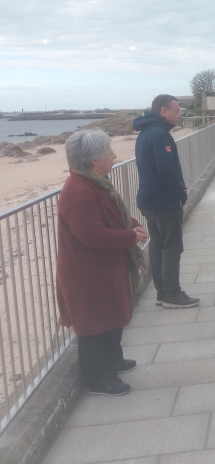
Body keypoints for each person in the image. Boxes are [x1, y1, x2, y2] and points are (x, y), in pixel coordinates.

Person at [56, 129, 149, 396]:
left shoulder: (96, 182)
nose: (114, 156)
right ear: (94, 159)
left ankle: (113, 360)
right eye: (109, 153)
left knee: (111, 318)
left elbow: (111, 217)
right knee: (94, 325)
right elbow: (92, 236)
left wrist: (131, 225)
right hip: (87, 273)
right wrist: (130, 235)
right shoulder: (79, 190)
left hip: (105, 268)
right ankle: (98, 378)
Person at [133, 94, 199, 309]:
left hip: (148, 199)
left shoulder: (145, 133)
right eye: (176, 110)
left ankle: (162, 293)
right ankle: (172, 293)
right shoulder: (160, 135)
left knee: (158, 246)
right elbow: (165, 170)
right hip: (163, 201)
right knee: (172, 248)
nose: (179, 115)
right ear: (163, 111)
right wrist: (180, 192)